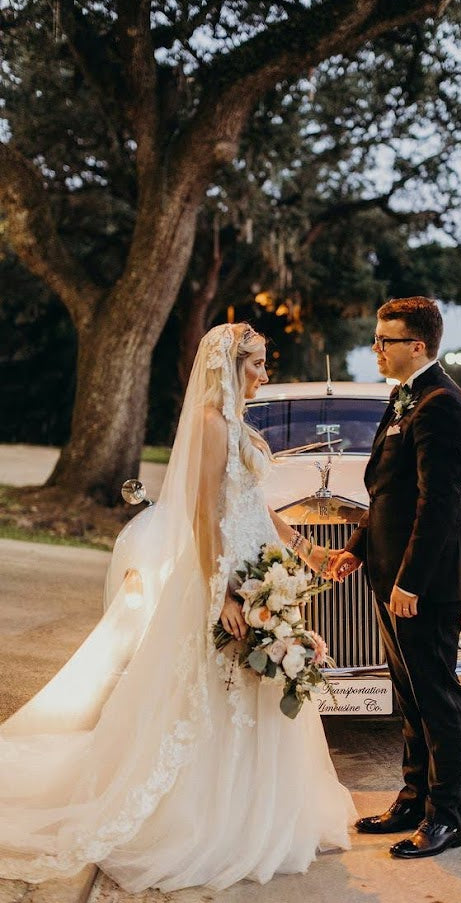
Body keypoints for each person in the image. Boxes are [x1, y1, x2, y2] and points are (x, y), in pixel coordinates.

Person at [0, 323, 355, 892]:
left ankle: (255, 808)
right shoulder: (213, 426)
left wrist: (309, 552)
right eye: (259, 364)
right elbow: (203, 515)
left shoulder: (241, 424)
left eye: (266, 363)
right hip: (230, 579)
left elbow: (257, 505)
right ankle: (206, 817)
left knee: (257, 692)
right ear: (230, 367)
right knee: (216, 692)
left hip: (263, 573)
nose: (266, 373)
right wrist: (227, 595)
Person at [330, 297, 461, 859]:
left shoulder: (441, 403)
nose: (375, 349)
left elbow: (437, 504)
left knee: (437, 699)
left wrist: (411, 582)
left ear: (416, 345)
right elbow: (386, 492)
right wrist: (357, 551)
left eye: (383, 340)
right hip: (390, 575)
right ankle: (414, 797)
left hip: (426, 584)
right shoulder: (403, 397)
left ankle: (449, 817)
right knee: (410, 697)